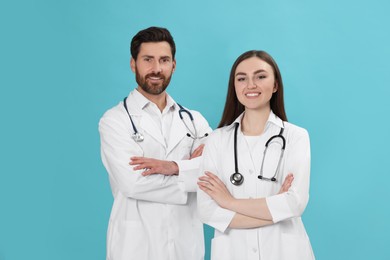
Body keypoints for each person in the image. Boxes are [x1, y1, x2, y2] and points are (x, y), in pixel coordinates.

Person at [99, 26, 211, 260]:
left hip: (185, 245)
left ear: (174, 65)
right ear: (133, 64)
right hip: (135, 246)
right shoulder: (115, 120)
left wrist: (174, 168)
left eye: (164, 60)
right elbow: (133, 184)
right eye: (148, 59)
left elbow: (214, 173)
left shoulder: (194, 120)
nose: (156, 69)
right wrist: (191, 174)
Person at [197, 50, 315, 260]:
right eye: (242, 78)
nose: (250, 84)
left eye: (260, 76)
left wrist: (229, 202)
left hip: (284, 251)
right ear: (234, 86)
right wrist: (275, 212)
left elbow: (294, 203)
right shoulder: (217, 139)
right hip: (233, 252)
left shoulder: (296, 136)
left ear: (275, 85)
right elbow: (207, 210)